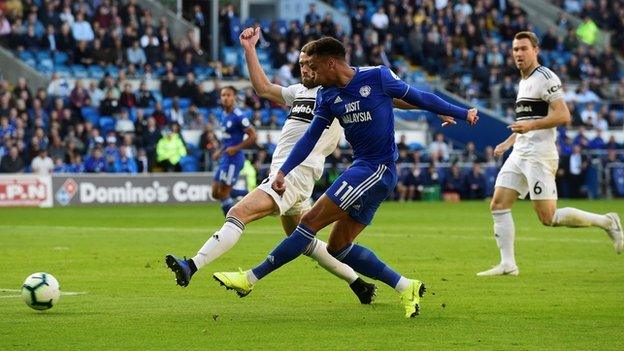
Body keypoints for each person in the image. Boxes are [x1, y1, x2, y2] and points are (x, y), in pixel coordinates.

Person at [165, 27, 459, 305]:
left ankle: (193, 264)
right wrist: (249, 49)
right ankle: (358, 283)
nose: (305, 69)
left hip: (296, 175)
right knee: (303, 241)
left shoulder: (336, 92)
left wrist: (437, 110)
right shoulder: (299, 92)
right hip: (286, 174)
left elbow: (396, 98)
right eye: (302, 64)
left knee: (238, 212)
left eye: (310, 64)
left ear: (325, 65)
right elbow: (263, 88)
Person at [477, 32, 623, 277]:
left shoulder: (546, 77)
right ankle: (508, 264)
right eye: (515, 49)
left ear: (536, 50)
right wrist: (508, 142)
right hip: (520, 153)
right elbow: (525, 121)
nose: (518, 54)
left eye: (523, 49)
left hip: (540, 155)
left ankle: (607, 221)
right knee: (499, 204)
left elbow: (563, 115)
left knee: (548, 217)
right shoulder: (522, 82)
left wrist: (531, 127)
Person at [211, 86, 257, 215]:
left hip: (234, 159)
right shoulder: (224, 114)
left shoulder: (239, 116)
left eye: (228, 95)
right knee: (215, 193)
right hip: (225, 157)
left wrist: (236, 148)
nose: (225, 98)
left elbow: (253, 135)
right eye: (223, 95)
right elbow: (227, 139)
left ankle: (230, 225)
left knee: (224, 193)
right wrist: (219, 151)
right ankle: (247, 194)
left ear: (234, 97)